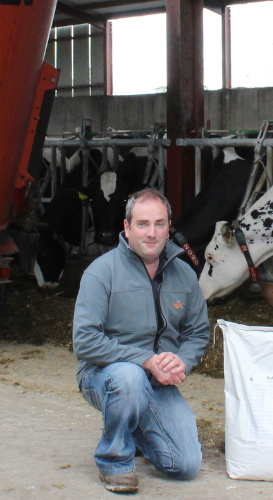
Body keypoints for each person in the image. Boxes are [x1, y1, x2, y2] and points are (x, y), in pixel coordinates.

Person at [72, 187, 210, 493]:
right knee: (129, 377)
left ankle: (133, 427)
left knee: (186, 464)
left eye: (159, 224)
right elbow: (85, 340)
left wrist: (182, 360)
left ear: (168, 227)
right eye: (143, 224)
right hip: (105, 375)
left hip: (157, 382)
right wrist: (145, 360)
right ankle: (115, 462)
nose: (152, 233)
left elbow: (198, 333)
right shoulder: (101, 272)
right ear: (127, 227)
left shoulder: (185, 274)